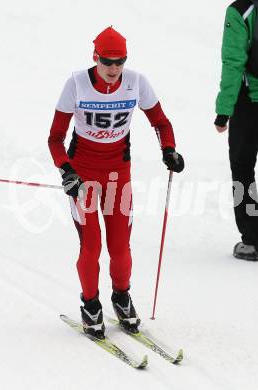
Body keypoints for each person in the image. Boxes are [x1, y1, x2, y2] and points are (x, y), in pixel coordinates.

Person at [48, 26, 184, 339]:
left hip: (118, 174)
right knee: (92, 244)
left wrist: (169, 149)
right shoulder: (77, 83)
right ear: (95, 57)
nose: (113, 69)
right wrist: (66, 171)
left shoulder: (136, 82)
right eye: (107, 61)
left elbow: (161, 122)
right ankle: (91, 305)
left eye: (120, 61)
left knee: (120, 247)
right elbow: (55, 138)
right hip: (82, 175)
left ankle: (122, 299)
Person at [215, 0, 258, 261]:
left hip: (250, 101)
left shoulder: (240, 9)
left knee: (242, 168)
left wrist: (224, 110)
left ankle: (253, 241)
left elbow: (233, 61)